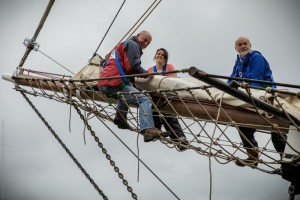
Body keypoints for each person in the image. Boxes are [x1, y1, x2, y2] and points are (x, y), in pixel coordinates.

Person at [227, 36, 287, 166]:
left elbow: (256, 82)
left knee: (277, 133)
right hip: (248, 97)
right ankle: (252, 156)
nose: (243, 46)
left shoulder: (257, 58)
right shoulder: (239, 62)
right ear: (236, 48)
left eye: (245, 43)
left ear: (250, 45)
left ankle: (288, 161)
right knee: (241, 124)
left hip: (265, 97)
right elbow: (231, 79)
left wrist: (238, 87)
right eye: (239, 44)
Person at [98, 30, 164, 143]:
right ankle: (147, 130)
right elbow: (132, 66)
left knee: (127, 93)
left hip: (106, 81)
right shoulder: (133, 44)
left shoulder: (123, 45)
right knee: (145, 99)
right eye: (145, 39)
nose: (146, 43)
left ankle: (120, 118)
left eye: (149, 42)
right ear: (138, 35)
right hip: (114, 82)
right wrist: (147, 74)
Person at [147, 48, 188, 151]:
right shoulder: (150, 70)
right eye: (158, 54)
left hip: (167, 98)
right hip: (154, 98)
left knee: (169, 117)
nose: (160, 56)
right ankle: (157, 131)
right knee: (154, 115)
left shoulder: (169, 67)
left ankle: (180, 139)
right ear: (155, 56)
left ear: (165, 58)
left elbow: (172, 82)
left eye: (162, 55)